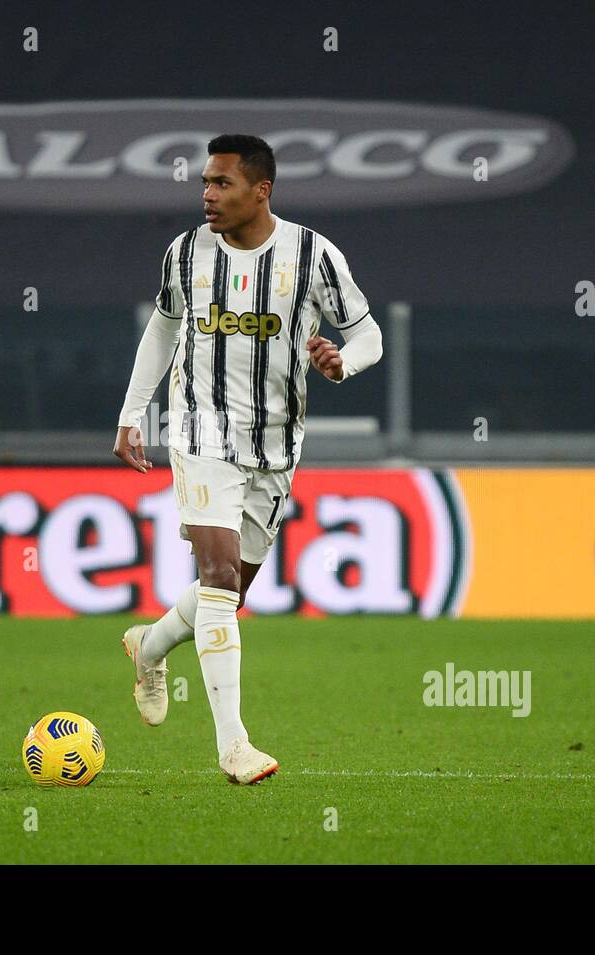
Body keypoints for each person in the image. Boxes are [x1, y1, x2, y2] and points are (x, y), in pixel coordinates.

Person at [112, 134, 384, 784]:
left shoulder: (312, 255)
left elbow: (367, 332)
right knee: (218, 576)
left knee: (229, 592)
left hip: (275, 448)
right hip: (200, 433)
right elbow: (163, 327)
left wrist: (345, 363)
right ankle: (233, 745)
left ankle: (147, 648)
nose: (207, 194)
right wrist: (131, 412)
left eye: (222, 184)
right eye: (204, 183)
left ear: (260, 190)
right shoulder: (184, 253)